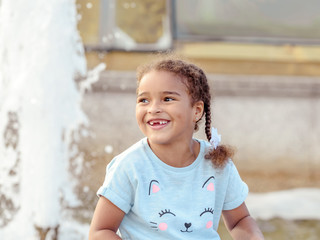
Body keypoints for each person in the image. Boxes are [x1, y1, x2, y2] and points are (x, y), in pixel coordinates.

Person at [89, 55, 264, 240]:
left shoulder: (217, 164)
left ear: (196, 111)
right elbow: (101, 231)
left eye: (167, 99)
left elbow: (240, 221)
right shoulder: (129, 166)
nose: (153, 108)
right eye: (144, 100)